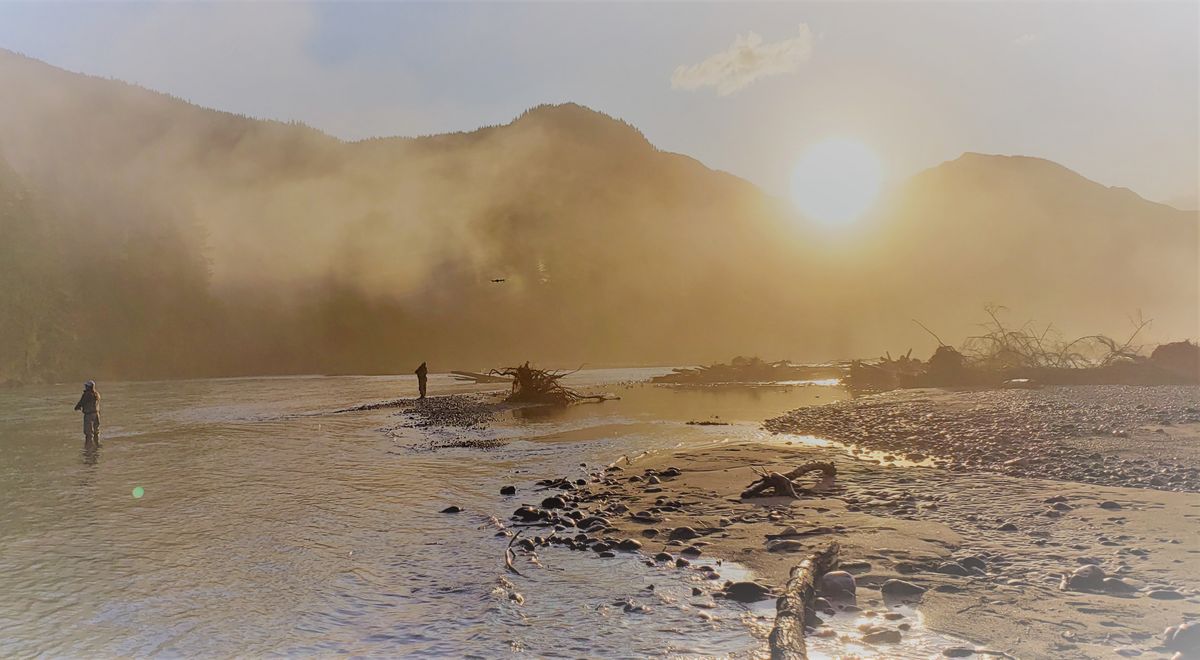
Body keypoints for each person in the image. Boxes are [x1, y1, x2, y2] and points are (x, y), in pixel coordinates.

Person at [74, 380, 101, 447]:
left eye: (86, 386)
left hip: (89, 415)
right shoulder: (97, 394)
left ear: (89, 387)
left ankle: (88, 447)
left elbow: (81, 402)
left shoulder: (87, 394)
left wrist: (77, 407)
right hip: (96, 414)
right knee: (96, 431)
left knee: (88, 433)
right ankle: (97, 444)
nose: (85, 387)